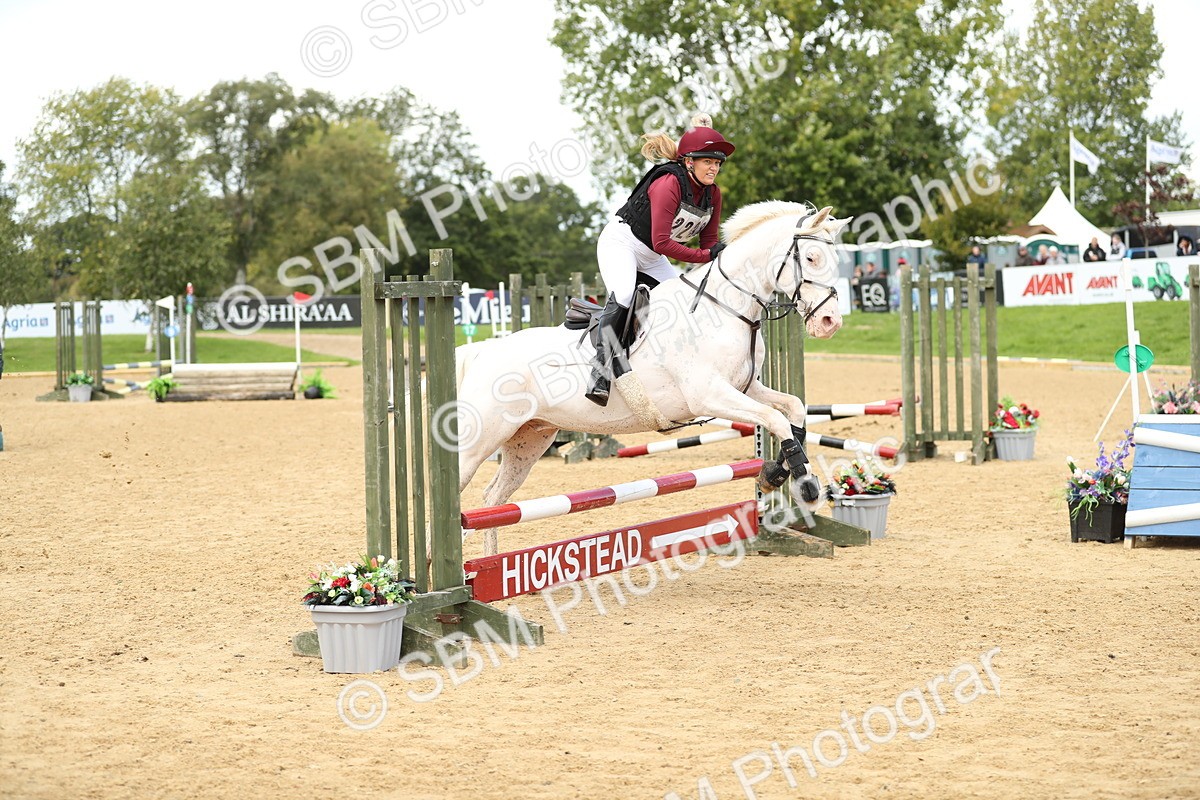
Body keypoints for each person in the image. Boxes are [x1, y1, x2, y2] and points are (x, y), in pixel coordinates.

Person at [585, 114, 733, 405]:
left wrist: (717, 261)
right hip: (622, 243)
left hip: (652, 254)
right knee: (625, 295)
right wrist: (705, 256)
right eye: (708, 162)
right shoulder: (669, 183)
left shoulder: (712, 194)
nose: (714, 168)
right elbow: (663, 242)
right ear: (689, 162)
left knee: (683, 301)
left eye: (717, 163)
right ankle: (600, 371)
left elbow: (709, 243)